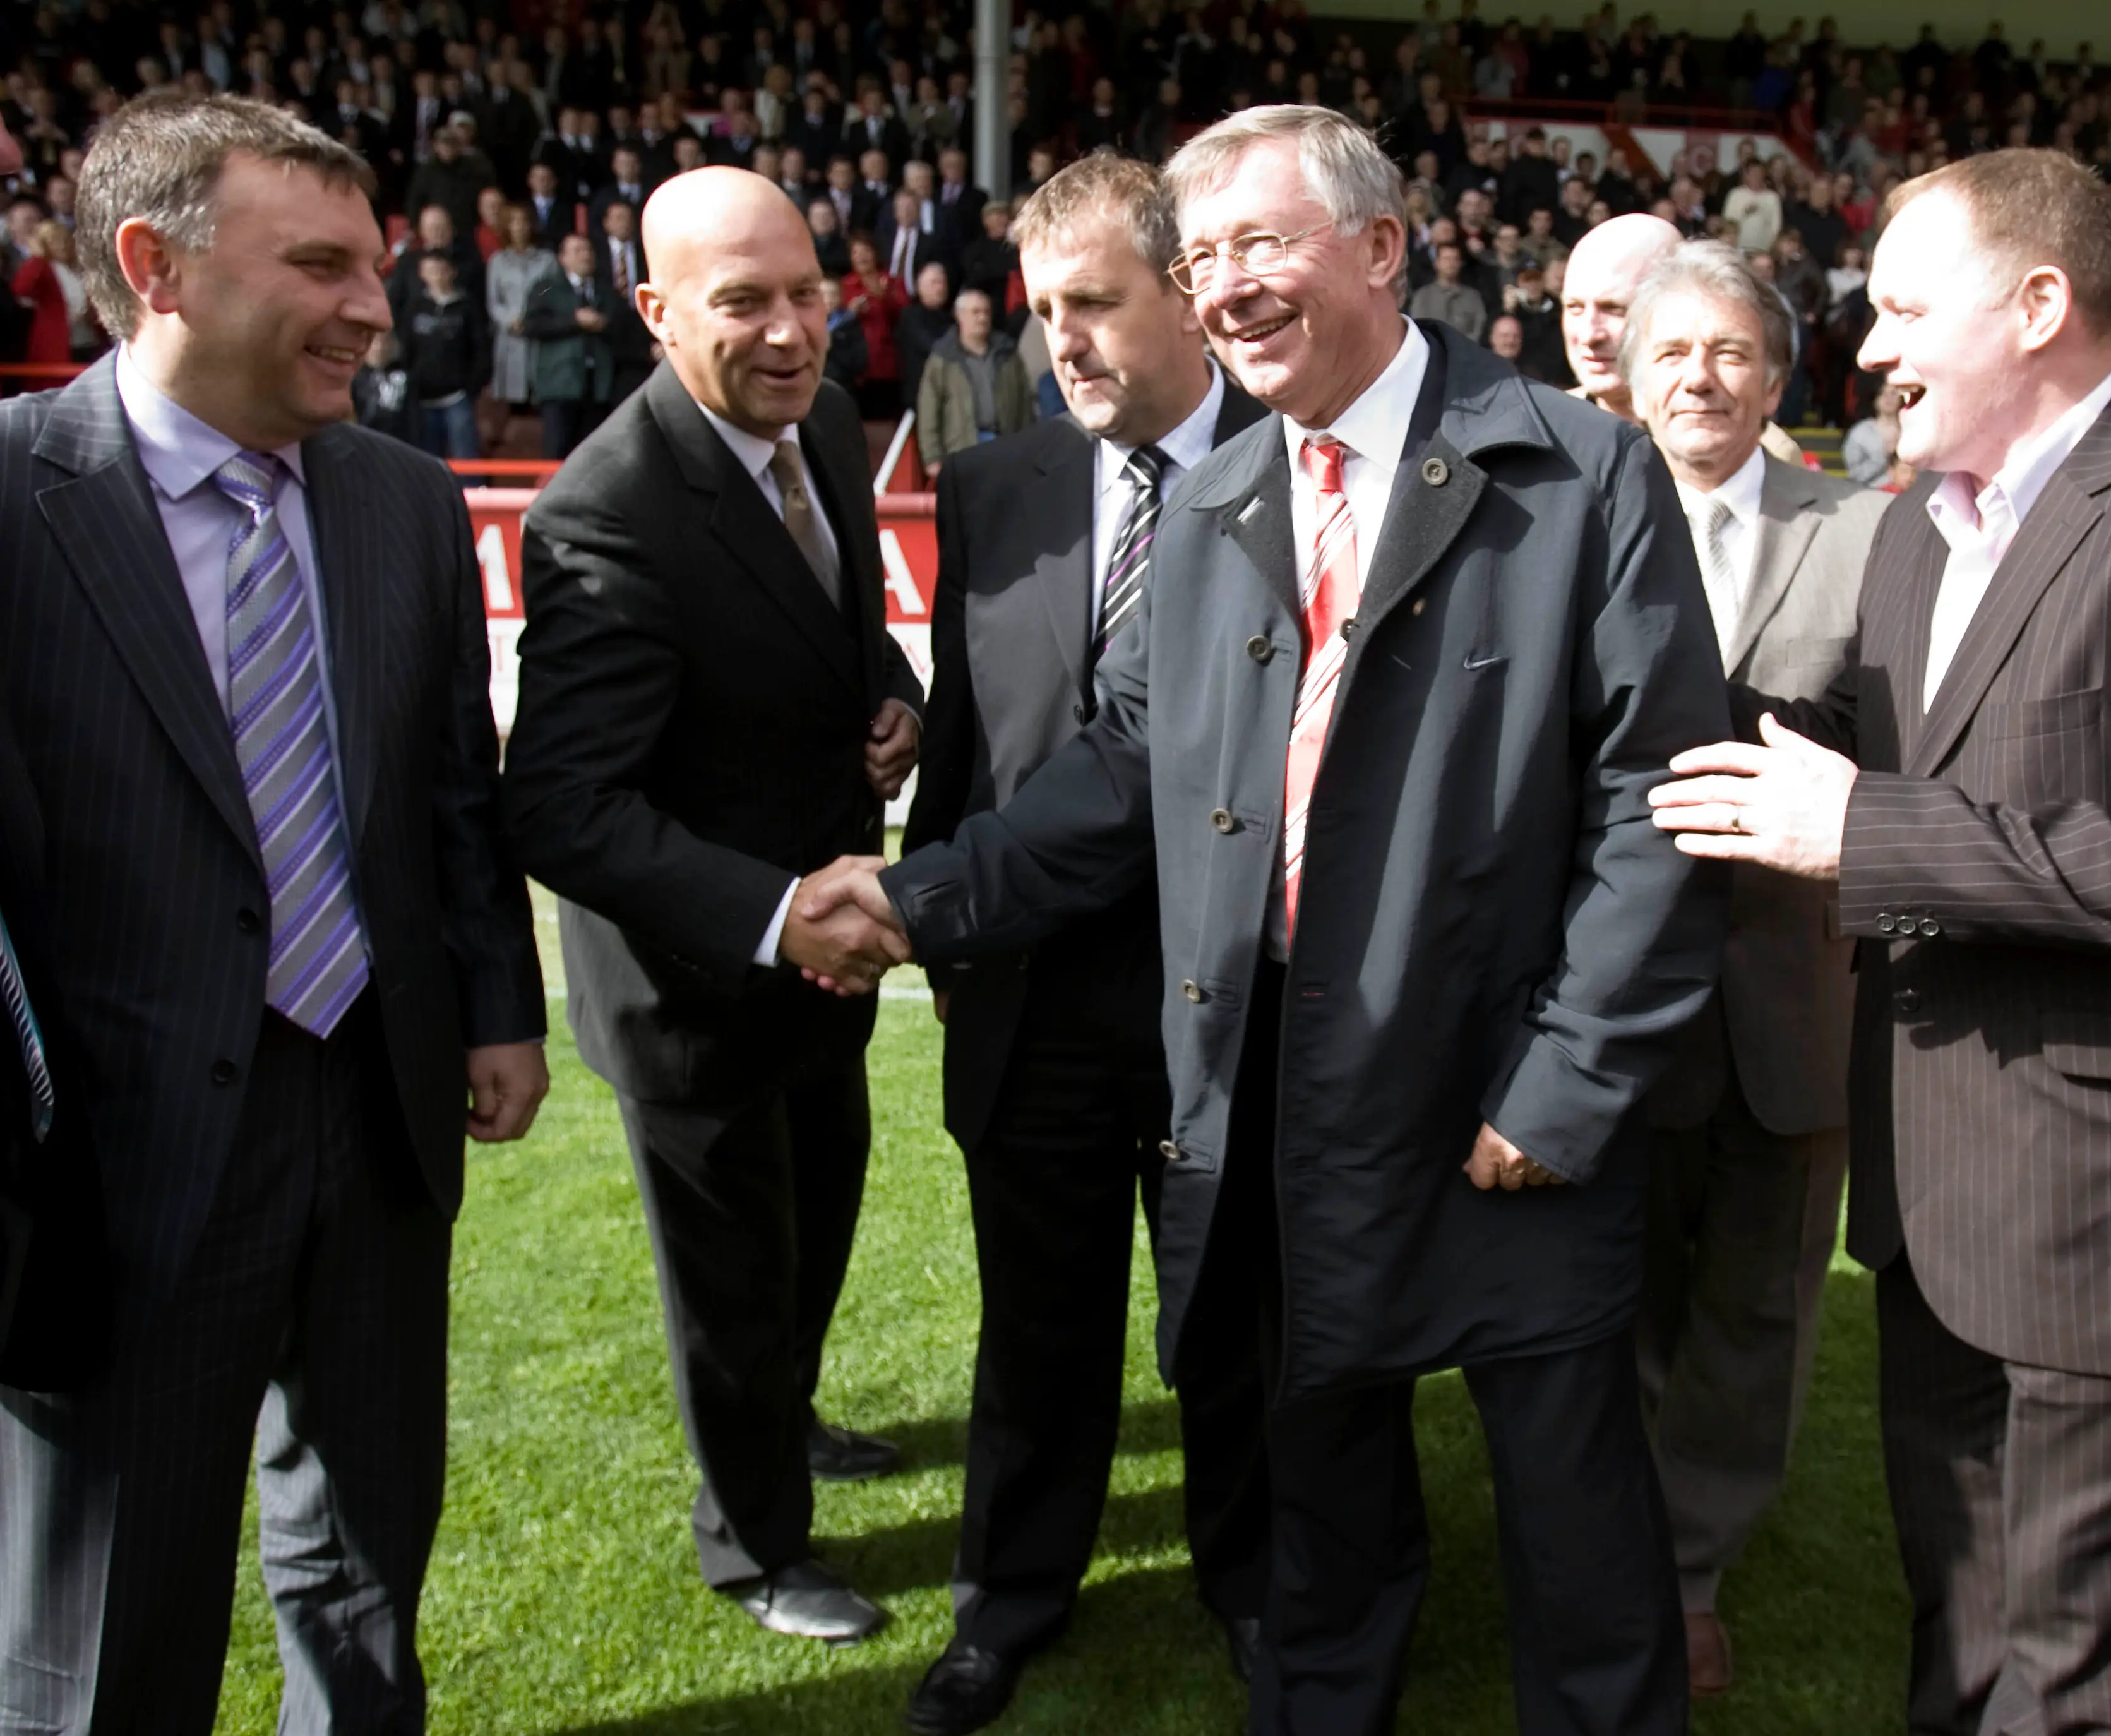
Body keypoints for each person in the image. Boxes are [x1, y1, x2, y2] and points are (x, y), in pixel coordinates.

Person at [803, 103, 1725, 1736]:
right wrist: (919, 894)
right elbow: (1124, 770)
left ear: (1382, 248)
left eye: (1260, 244)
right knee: (1323, 1513)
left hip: (1509, 1097)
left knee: (1578, 1532)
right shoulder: (1225, 495)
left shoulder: (1583, 473)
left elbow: (1656, 800)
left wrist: (1568, 1081)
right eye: (1203, 254)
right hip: (1283, 1093)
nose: (1222, 286)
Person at [1649, 147, 2111, 1736]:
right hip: (1932, 1212)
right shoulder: (1915, 532)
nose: (1870, 346)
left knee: (2066, 1682)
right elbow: (1856, 753)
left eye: (1905, 309)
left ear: (2038, 305)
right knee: (1960, 1642)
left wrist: (1864, 834)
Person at [0, 92, 548, 1735]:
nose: (376, 308)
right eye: (320, 267)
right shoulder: (15, 499)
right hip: (110, 1160)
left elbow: (450, 788)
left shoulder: (401, 499)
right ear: (153, 265)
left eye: (373, 266)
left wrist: (498, 1006)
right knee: (113, 1615)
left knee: (369, 1559)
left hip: (379, 1114)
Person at [499, 166, 925, 1649]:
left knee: (813, 1239)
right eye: (743, 302)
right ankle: (752, 1546)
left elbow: (846, 632)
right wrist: (769, 913)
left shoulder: (829, 421)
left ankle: (785, 1427)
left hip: (825, 967)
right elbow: (563, 804)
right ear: (655, 310)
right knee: (731, 1287)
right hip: (698, 990)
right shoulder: (605, 508)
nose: (791, 331)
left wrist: (897, 700)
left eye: (808, 292)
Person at [896, 151, 1272, 1736]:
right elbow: (971, 741)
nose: (1065, 341)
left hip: (1230, 992)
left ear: (1187, 294)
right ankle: (1009, 1598)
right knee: (1037, 1322)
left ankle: (1257, 1585)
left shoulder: (1298, 467)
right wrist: (940, 932)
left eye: (1095, 304)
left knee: (1241, 1314)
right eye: (1045, 309)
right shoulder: (996, 485)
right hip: (1032, 992)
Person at [1616, 242, 1887, 1699]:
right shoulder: (1575, 524)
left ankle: (1688, 1569)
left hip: (1792, 991)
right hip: (1614, 996)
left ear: (1776, 378)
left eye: (1730, 351)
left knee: (1761, 1299)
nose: (1701, 377)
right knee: (1627, 1289)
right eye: (1673, 350)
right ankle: (1619, 1535)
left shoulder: (1866, 534)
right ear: (1628, 376)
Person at [524, 231, 647, 458]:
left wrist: (603, 324)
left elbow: (625, 328)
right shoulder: (547, 288)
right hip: (560, 386)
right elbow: (531, 326)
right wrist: (575, 321)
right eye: (578, 251)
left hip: (598, 386)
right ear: (563, 258)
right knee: (557, 451)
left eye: (588, 250)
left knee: (593, 455)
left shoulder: (606, 290)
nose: (586, 256)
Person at [1562, 212, 1682, 420]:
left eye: (1614, 309)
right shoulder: (1532, 431)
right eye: (1575, 308)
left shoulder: (1734, 436)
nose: (1589, 336)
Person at [913, 286, 1034, 470]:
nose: (982, 318)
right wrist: (932, 458)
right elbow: (929, 409)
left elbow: (1025, 404)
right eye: (975, 312)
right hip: (962, 451)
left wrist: (1029, 448)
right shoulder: (943, 358)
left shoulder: (1008, 354)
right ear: (960, 316)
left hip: (1005, 448)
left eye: (986, 312)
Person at [397, 248, 488, 459]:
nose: (436, 276)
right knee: (427, 460)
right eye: (430, 270)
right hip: (423, 397)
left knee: (466, 458)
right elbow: (406, 348)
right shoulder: (414, 307)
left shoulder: (467, 306)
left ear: (452, 272)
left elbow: (481, 349)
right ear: (422, 274)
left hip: (458, 397)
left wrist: (471, 386)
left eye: (441, 270)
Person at [484, 201, 551, 418]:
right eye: (514, 222)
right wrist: (509, 320)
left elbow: (552, 295)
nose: (520, 227)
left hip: (541, 337)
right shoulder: (497, 262)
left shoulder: (547, 260)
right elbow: (494, 302)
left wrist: (536, 319)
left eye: (524, 222)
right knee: (515, 407)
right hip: (511, 338)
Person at [839, 232, 909, 420]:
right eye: (856, 252)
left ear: (876, 254)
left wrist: (884, 298)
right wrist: (850, 312)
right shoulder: (845, 286)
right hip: (858, 367)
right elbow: (835, 323)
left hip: (890, 365)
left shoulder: (893, 283)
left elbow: (905, 319)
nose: (861, 256)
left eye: (866, 251)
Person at [8, 218, 85, 364]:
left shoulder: (78, 270)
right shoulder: (42, 268)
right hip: (56, 342)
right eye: (55, 241)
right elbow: (21, 289)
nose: (63, 245)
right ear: (44, 244)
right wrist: (38, 257)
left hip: (86, 339)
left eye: (66, 240)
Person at [895, 260, 956, 412]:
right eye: (934, 282)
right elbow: (932, 345)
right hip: (920, 394)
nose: (940, 287)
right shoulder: (911, 315)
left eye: (943, 282)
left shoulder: (951, 319)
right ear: (920, 287)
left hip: (948, 394)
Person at [1407, 237, 1486, 341]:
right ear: (1437, 263)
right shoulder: (1423, 296)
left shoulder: (1473, 297)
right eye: (1446, 259)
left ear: (1460, 264)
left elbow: (1479, 328)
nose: (1451, 263)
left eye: (1455, 259)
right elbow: (1418, 329)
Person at [1841, 383, 1899, 486]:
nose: (1888, 398)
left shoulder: (1912, 430)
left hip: (1912, 493)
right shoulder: (1860, 433)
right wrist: (1883, 456)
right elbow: (1854, 474)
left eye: (1893, 394)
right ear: (1875, 400)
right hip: (1871, 491)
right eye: (1882, 394)